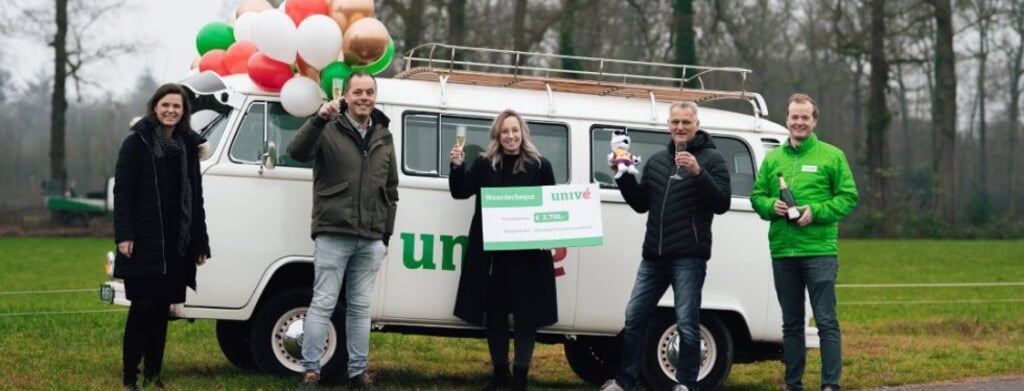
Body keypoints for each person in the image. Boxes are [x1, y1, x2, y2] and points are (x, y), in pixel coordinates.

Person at [600, 102, 731, 391]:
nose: (680, 127)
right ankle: (625, 381)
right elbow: (640, 203)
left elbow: (722, 203)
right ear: (668, 125)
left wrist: (698, 172)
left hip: (689, 256)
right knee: (634, 316)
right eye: (675, 122)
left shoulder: (712, 159)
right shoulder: (658, 161)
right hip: (653, 257)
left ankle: (686, 384)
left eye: (686, 122)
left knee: (686, 322)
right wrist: (622, 175)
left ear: (696, 124)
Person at [287, 71, 398, 390]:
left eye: (370, 92)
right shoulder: (328, 127)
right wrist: (318, 120)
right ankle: (310, 373)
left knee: (361, 309)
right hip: (333, 232)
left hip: (371, 238)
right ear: (345, 97)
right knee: (323, 302)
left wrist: (385, 235)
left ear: (375, 96)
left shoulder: (384, 135)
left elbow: (392, 189)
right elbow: (296, 151)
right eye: (358, 92)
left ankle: (357, 375)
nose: (364, 97)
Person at [750, 93, 859, 391]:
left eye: (805, 117)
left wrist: (817, 212)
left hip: (820, 252)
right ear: (787, 119)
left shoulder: (832, 156)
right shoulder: (774, 159)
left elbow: (849, 197)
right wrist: (771, 205)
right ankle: (793, 384)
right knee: (792, 324)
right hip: (783, 252)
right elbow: (756, 197)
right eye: (794, 117)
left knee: (826, 322)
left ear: (814, 120)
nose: (799, 122)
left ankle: (830, 385)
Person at [448, 109, 558, 391]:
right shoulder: (485, 164)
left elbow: (551, 206)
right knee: (495, 314)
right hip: (493, 256)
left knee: (526, 316)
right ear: (498, 135)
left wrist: (551, 233)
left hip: (529, 256)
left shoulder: (540, 165)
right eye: (505, 131)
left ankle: (520, 378)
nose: (510, 136)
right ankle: (500, 375)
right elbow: (461, 191)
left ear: (523, 133)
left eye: (515, 130)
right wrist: (457, 166)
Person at [113, 83, 211, 391]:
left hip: (176, 244)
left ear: (184, 112)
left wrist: (200, 241)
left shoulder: (187, 148)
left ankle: (154, 375)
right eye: (165, 105)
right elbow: (123, 192)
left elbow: (196, 198)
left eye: (177, 107)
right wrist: (125, 234)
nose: (170, 111)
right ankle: (130, 376)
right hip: (142, 241)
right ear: (155, 107)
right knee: (142, 309)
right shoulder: (137, 143)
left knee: (160, 312)